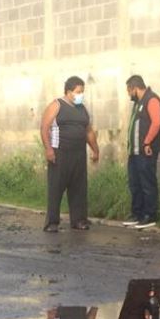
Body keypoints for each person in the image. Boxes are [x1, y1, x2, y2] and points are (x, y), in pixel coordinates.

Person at [39, 76, 99, 232]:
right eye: (78, 92)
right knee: (56, 188)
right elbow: (44, 128)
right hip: (60, 153)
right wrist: (48, 149)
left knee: (79, 188)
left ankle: (79, 220)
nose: (81, 95)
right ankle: (52, 222)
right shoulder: (56, 105)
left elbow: (89, 131)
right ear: (69, 91)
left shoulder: (82, 109)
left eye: (82, 92)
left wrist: (95, 149)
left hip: (79, 154)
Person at [123, 75, 160, 229]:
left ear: (134, 88)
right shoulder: (138, 103)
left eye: (128, 90)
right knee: (135, 184)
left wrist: (147, 141)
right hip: (134, 152)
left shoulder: (151, 99)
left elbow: (156, 122)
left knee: (147, 183)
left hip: (146, 151)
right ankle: (137, 213)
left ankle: (150, 215)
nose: (128, 94)